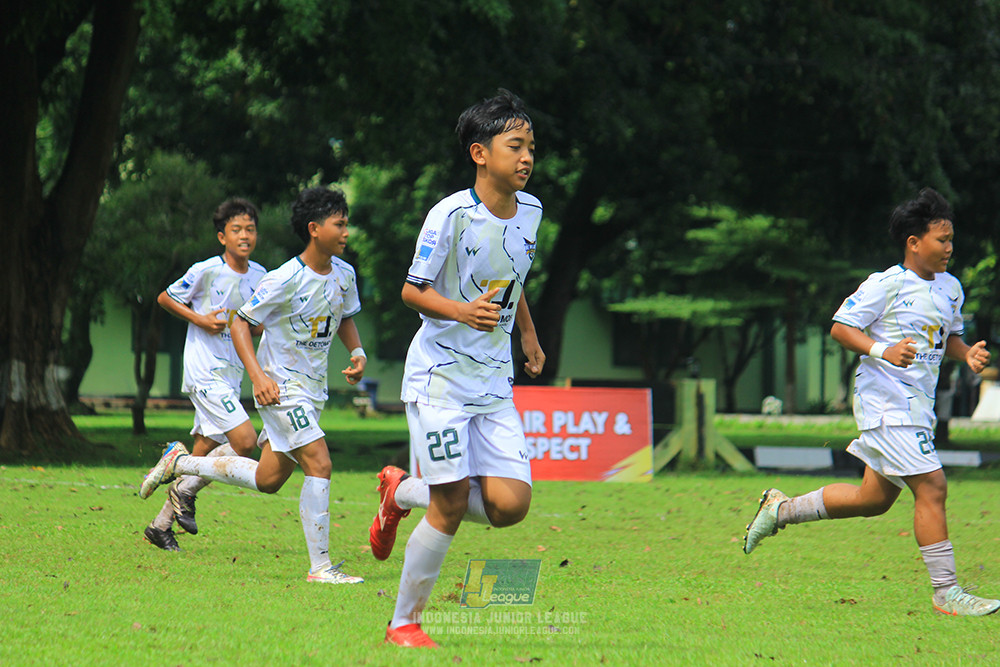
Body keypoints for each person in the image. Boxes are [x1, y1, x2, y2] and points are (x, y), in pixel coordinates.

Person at [743, 187, 1000, 617]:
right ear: (914, 242)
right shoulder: (887, 284)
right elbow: (841, 328)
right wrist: (881, 350)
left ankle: (780, 509)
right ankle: (946, 593)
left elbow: (947, 337)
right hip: (885, 402)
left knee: (873, 499)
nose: (949, 248)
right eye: (942, 239)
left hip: (917, 406)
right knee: (933, 487)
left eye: (952, 239)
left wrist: (966, 353)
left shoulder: (952, 288)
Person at [368, 89, 546, 648]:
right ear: (479, 153)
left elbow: (514, 282)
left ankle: (399, 492)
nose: (526, 158)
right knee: (449, 504)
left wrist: (528, 333)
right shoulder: (450, 215)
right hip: (439, 380)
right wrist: (461, 311)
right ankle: (404, 622)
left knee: (510, 505)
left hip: (493, 383)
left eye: (531, 147)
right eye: (514, 146)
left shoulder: (533, 211)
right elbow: (410, 290)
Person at [139, 186, 367, 585]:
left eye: (347, 223)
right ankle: (321, 568)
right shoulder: (285, 277)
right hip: (281, 389)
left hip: (314, 391)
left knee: (268, 479)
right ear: (315, 229)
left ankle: (182, 464)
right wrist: (259, 377)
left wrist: (358, 352)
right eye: (340, 224)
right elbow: (241, 321)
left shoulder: (344, 275)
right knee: (320, 464)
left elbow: (345, 317)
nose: (347, 231)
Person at [143, 197, 266, 552]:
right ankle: (178, 471)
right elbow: (165, 298)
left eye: (250, 229)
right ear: (221, 236)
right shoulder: (206, 270)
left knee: (206, 450)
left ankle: (161, 524)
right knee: (245, 443)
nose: (244, 235)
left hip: (231, 373)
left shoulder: (261, 276)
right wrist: (201, 320)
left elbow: (255, 325)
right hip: (204, 371)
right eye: (236, 230)